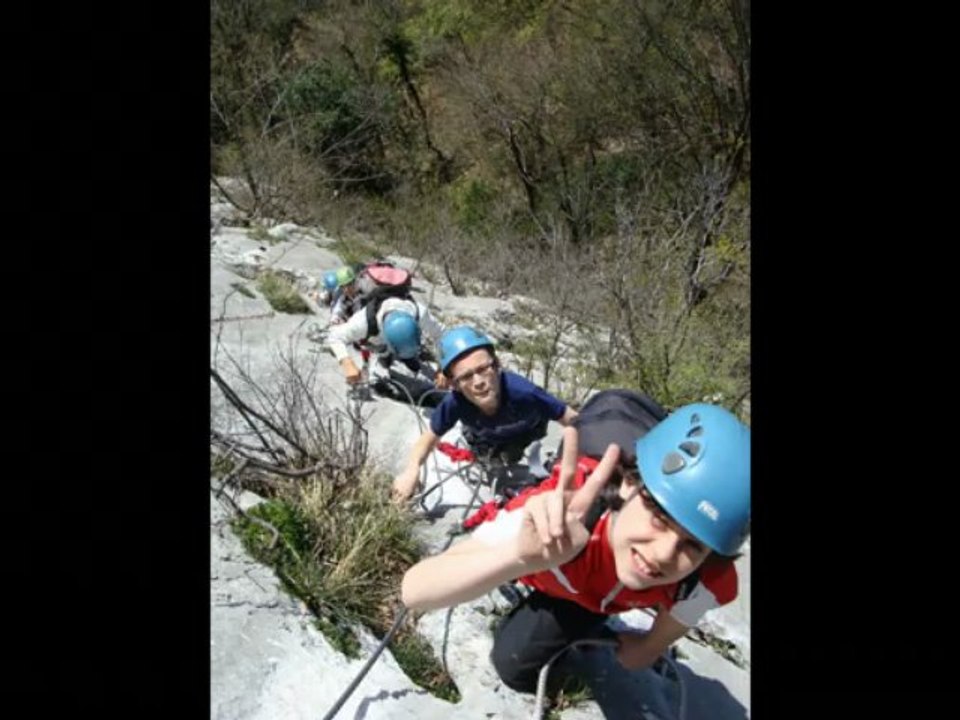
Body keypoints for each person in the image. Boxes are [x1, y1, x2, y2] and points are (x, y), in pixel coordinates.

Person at [401, 399, 750, 696]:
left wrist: (647, 647)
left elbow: (679, 617)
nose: (663, 554)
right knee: (513, 662)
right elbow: (415, 590)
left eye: (692, 546)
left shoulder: (706, 576)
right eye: (660, 519)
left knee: (516, 663)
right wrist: (519, 557)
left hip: (587, 597)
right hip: (555, 569)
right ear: (629, 483)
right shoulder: (564, 512)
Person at [392, 325, 578, 502]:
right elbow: (429, 437)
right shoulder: (456, 402)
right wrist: (411, 470)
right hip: (485, 438)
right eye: (466, 376)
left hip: (525, 434)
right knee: (486, 452)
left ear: (497, 365)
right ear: (455, 384)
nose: (478, 382)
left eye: (483, 369)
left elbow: (573, 420)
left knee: (512, 453)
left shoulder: (524, 393)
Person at [325, 289, 446, 407]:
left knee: (411, 363)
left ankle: (410, 361)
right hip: (377, 342)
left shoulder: (418, 312)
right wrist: (346, 362)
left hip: (400, 344)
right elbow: (334, 336)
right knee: (383, 365)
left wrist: (443, 367)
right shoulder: (363, 322)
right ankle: (386, 364)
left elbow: (442, 334)